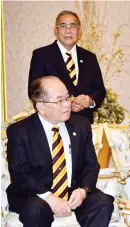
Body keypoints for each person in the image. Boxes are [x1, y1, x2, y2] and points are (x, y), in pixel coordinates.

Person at [6, 76, 113, 227]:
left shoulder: (81, 125)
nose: (66, 105)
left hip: (72, 191)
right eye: (59, 101)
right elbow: (19, 173)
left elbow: (91, 164)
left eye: (67, 98)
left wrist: (83, 190)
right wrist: (50, 198)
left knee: (103, 203)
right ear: (41, 107)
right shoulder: (20, 131)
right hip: (36, 194)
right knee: (34, 209)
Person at [28, 10, 106, 123]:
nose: (68, 31)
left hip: (84, 124)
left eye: (73, 26)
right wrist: (67, 102)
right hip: (54, 124)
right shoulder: (41, 55)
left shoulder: (90, 57)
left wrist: (90, 100)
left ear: (79, 31)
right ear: (56, 30)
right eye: (63, 26)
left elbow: (100, 90)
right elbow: (34, 91)